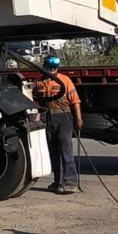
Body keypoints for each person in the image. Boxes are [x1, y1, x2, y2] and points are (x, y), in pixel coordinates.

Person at [32, 55, 82, 194]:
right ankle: (57, 182)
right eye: (50, 67)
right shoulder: (39, 82)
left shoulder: (65, 80)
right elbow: (33, 100)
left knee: (65, 150)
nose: (52, 69)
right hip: (47, 116)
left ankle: (70, 182)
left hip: (63, 116)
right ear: (45, 67)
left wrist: (78, 118)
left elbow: (75, 100)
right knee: (53, 152)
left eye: (54, 67)